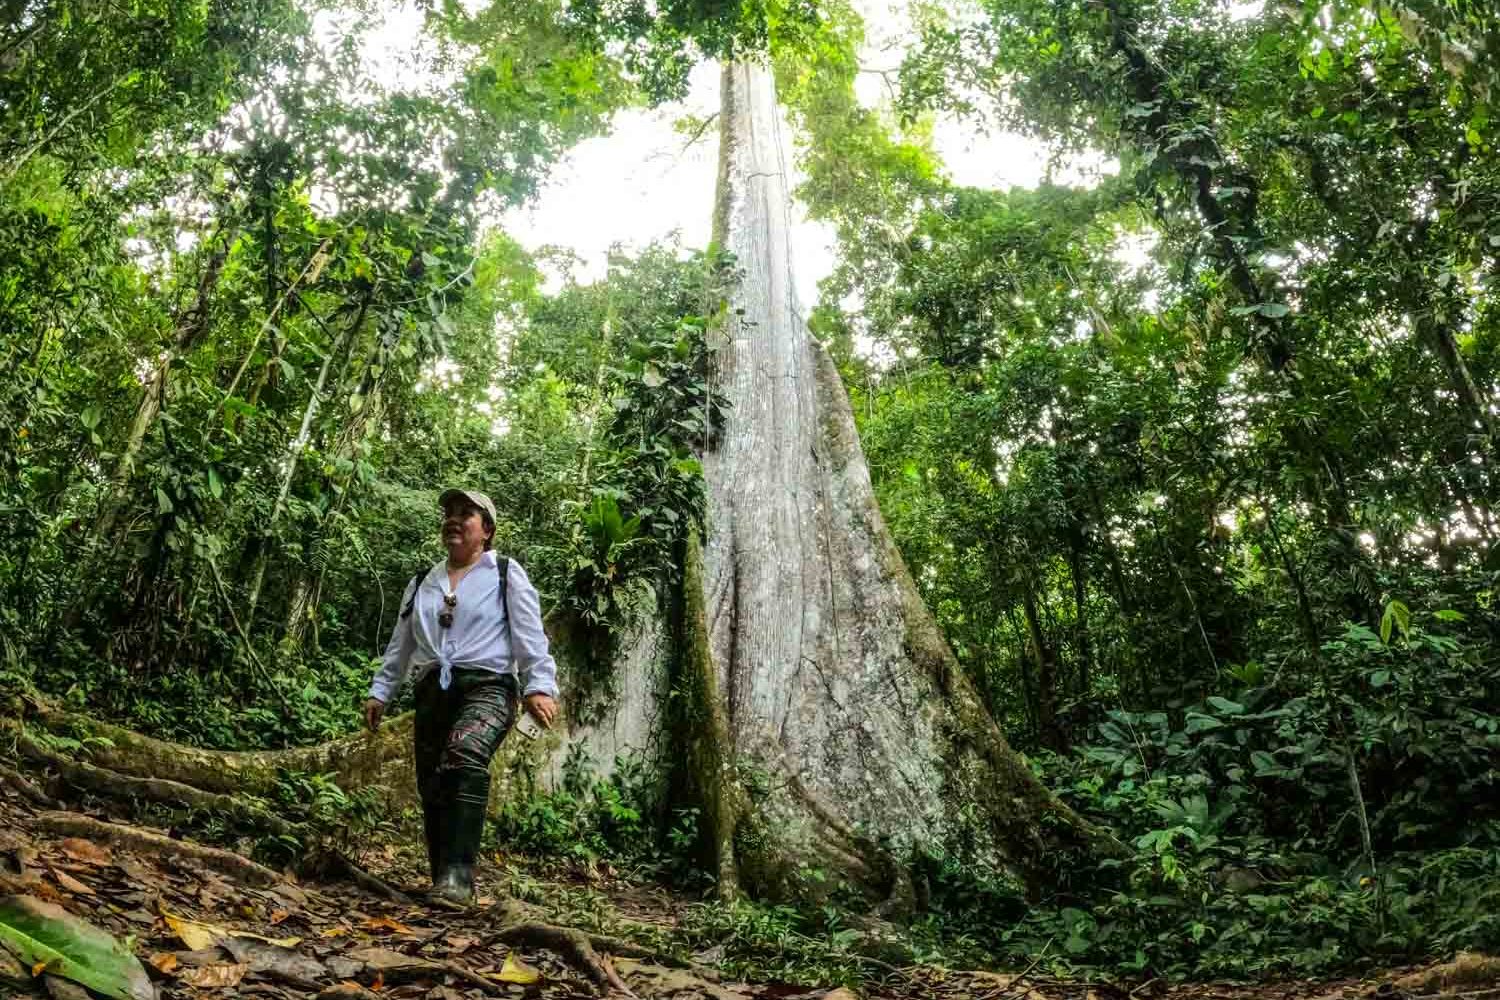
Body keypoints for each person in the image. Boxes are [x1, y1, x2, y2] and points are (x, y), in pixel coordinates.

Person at [363, 488, 559, 904]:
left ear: (485, 530)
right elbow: (401, 644)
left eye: (464, 514)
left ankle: (459, 877)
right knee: (431, 781)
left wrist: (539, 685)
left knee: (465, 753)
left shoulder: (505, 573)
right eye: (448, 514)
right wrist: (381, 691)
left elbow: (530, 635)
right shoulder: (422, 581)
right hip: (433, 688)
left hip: (488, 685)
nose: (452, 520)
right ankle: (442, 880)